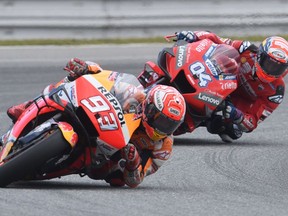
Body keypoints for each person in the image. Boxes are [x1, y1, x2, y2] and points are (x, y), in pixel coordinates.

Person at [5, 58, 186, 188]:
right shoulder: (136, 95)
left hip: (107, 159)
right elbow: (107, 79)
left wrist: (132, 161)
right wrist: (88, 68)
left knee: (115, 177)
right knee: (67, 85)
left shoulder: (163, 148)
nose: (164, 128)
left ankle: (46, 169)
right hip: (100, 119)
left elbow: (136, 180)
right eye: (162, 121)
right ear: (150, 108)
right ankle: (29, 106)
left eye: (171, 125)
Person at [176, 30, 288, 142]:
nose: (271, 70)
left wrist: (237, 115)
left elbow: (253, 122)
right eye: (269, 63)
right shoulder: (247, 49)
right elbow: (217, 40)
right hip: (216, 81)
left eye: (278, 68)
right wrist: (195, 35)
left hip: (233, 105)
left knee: (232, 132)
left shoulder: (276, 92)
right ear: (259, 55)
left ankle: (186, 123)